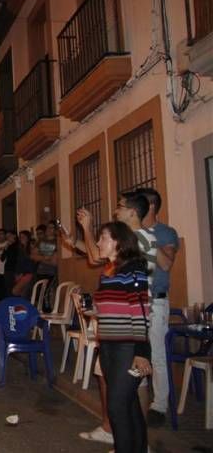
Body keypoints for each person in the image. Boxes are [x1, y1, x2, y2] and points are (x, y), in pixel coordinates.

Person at [93, 221, 152, 452]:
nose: (98, 242)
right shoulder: (108, 271)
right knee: (130, 405)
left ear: (118, 242)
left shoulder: (133, 269)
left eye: (103, 238)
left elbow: (140, 312)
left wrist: (141, 353)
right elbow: (113, 307)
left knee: (117, 408)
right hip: (109, 348)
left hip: (127, 349)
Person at [134, 187, 178, 428]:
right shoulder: (133, 233)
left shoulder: (166, 233)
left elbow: (167, 263)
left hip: (157, 301)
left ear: (149, 206)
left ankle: (159, 405)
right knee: (138, 352)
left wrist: (145, 234)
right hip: (136, 302)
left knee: (157, 354)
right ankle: (140, 397)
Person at [32, 223, 59, 311]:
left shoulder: (57, 241)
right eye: (48, 227)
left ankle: (48, 314)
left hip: (51, 273)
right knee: (39, 293)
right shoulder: (40, 241)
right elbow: (33, 256)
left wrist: (40, 258)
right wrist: (45, 258)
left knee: (47, 295)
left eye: (51, 227)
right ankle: (42, 314)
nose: (48, 229)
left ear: (55, 230)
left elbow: (54, 262)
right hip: (40, 271)